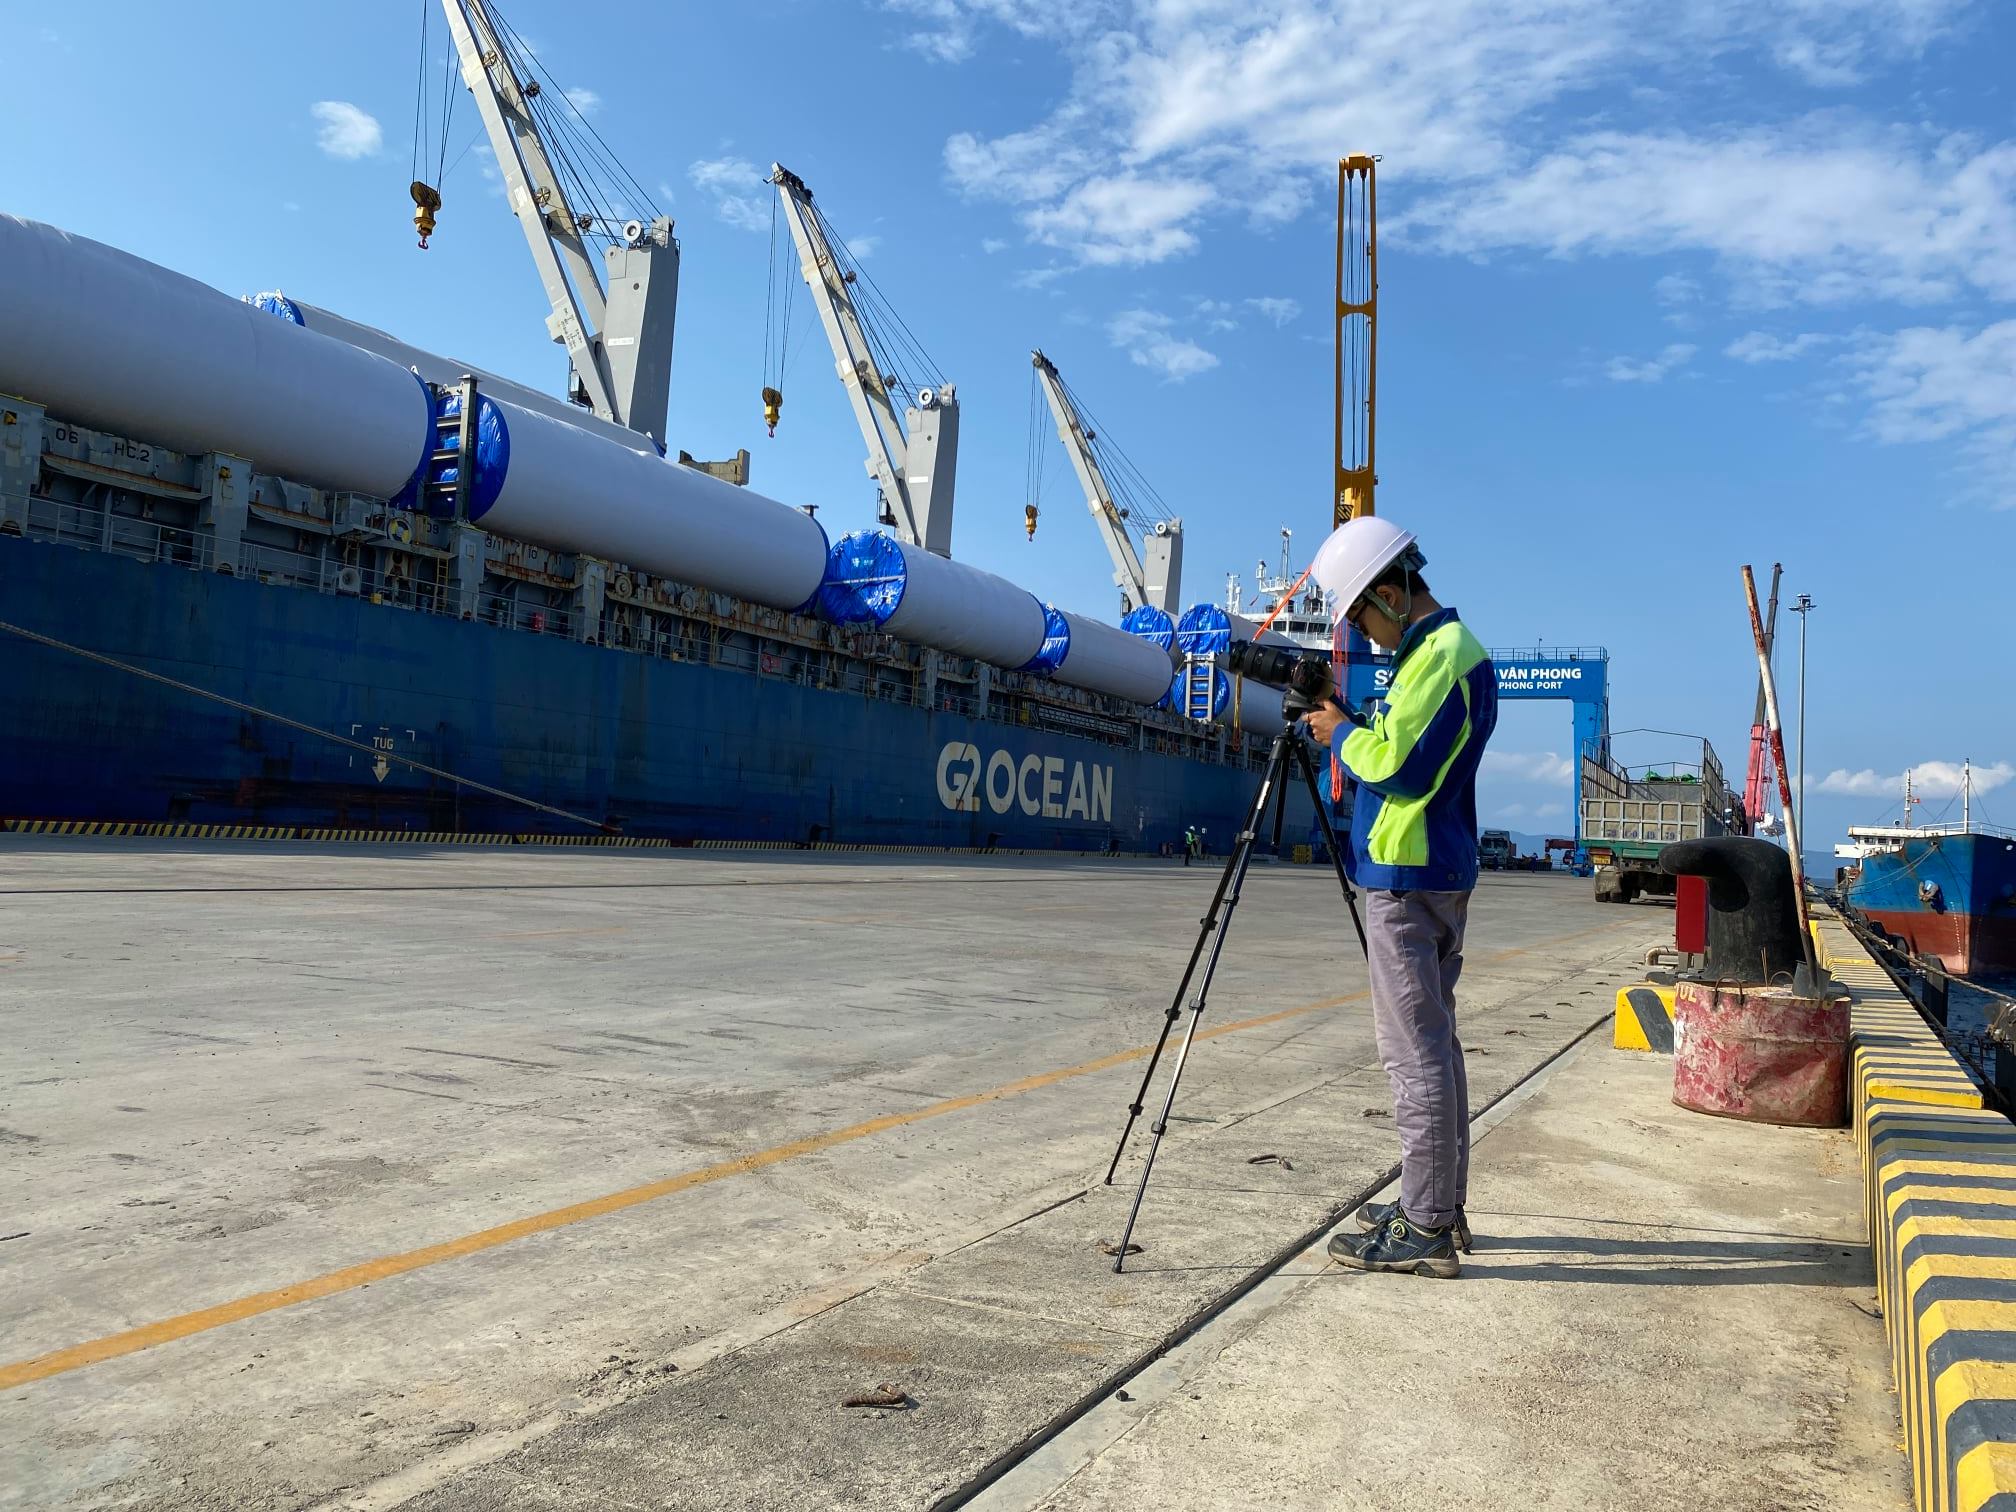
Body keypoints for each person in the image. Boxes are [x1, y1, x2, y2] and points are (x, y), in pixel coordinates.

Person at [1301, 516, 1498, 1279]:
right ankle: (1436, 1200)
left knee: (1413, 1057)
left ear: (1391, 590)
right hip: (1430, 872)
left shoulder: (1443, 657)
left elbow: (1406, 771)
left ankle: (1425, 1225)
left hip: (1409, 880)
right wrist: (1351, 721)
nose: (1364, 632)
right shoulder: (1435, 654)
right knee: (1436, 1048)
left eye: (1360, 615)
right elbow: (1410, 750)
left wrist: (1339, 736)